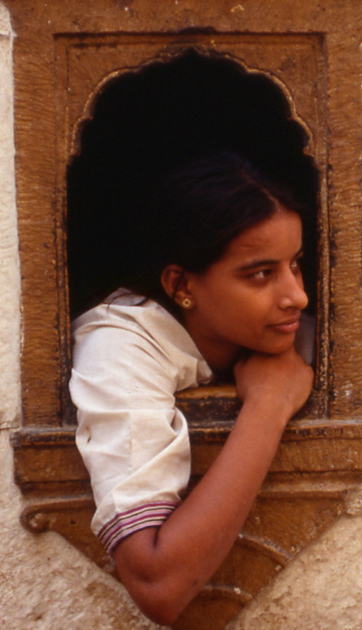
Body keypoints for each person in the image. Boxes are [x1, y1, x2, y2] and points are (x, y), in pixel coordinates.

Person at [69, 153, 314, 625]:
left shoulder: (294, 330)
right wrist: (268, 407)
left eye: (296, 265)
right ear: (181, 284)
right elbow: (156, 582)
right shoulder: (120, 347)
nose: (297, 296)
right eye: (261, 273)